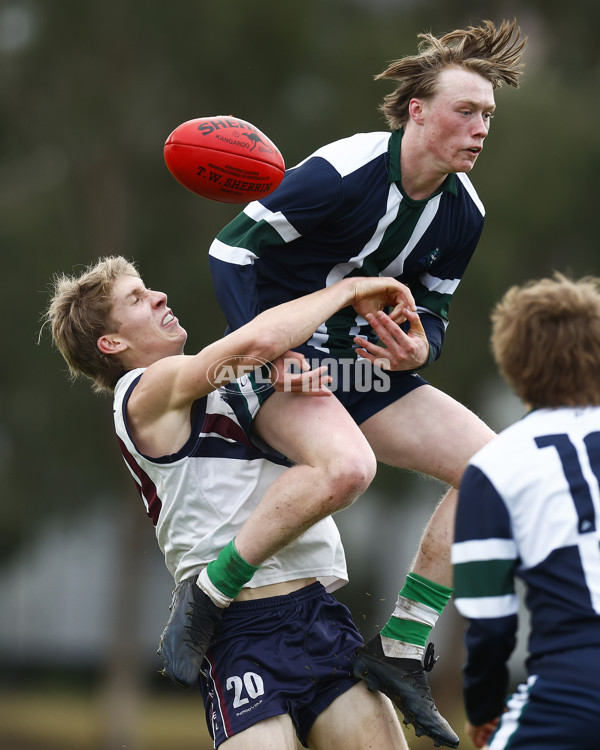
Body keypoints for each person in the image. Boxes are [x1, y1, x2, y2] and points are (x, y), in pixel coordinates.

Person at [203, 18, 526, 746]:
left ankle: (401, 650)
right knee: (351, 468)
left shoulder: (464, 212)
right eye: (466, 112)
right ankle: (206, 598)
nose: (480, 129)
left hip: (357, 371)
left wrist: (419, 350)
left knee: (496, 474)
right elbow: (229, 251)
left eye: (488, 117)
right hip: (282, 364)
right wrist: (269, 352)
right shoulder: (342, 170)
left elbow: (434, 312)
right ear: (417, 111)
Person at [43, 255, 416, 750]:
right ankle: (211, 590)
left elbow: (291, 370)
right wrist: (351, 289)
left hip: (317, 615)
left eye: (149, 287)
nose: (159, 297)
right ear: (112, 343)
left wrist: (407, 355)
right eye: (136, 298)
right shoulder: (141, 392)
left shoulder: (232, 384)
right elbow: (258, 340)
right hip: (239, 631)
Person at [452, 272, 600, 750]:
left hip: (575, 683)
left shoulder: (495, 465)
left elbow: (490, 621)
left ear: (512, 362)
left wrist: (483, 708)